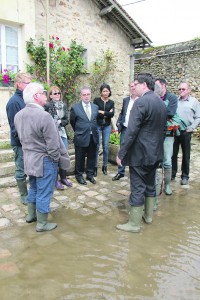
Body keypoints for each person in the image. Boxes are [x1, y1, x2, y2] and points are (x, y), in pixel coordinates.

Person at [14, 82, 70, 232]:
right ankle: (42, 223)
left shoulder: (18, 115)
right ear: (36, 96)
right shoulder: (44, 116)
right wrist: (54, 160)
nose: (46, 95)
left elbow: (20, 138)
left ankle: (31, 216)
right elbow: (53, 144)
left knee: (33, 188)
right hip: (44, 160)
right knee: (44, 191)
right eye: (43, 92)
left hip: (29, 159)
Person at [116, 73, 167, 233]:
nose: (134, 87)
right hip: (155, 153)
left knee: (137, 187)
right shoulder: (160, 103)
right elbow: (163, 130)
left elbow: (131, 131)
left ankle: (134, 224)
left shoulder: (141, 103)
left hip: (140, 154)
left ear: (144, 85)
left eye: (135, 84)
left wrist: (121, 153)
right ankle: (148, 216)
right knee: (150, 184)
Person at [6, 72, 32, 205]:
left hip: (30, 142)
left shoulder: (26, 98)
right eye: (28, 83)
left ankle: (31, 193)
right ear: (18, 84)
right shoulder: (13, 102)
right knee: (21, 170)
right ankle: (23, 195)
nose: (30, 85)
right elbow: (14, 128)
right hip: (20, 143)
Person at [172, 82, 200, 185]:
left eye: (183, 89)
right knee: (173, 154)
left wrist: (192, 127)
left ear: (189, 90)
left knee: (186, 155)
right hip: (174, 131)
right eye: (179, 89)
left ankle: (185, 176)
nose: (181, 91)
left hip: (186, 132)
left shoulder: (194, 102)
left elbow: (198, 117)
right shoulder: (175, 101)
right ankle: (172, 173)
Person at [45, 85, 72, 189]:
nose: (57, 95)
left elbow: (66, 120)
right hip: (52, 134)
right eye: (54, 93)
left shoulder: (63, 105)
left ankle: (64, 178)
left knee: (64, 155)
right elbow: (46, 120)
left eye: (58, 93)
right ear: (50, 95)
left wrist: (60, 122)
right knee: (55, 157)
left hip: (62, 133)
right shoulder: (47, 106)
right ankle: (55, 180)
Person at [70, 86, 99, 185]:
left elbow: (95, 121)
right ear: (81, 96)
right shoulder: (75, 108)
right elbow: (72, 121)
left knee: (92, 157)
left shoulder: (95, 107)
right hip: (81, 136)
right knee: (80, 158)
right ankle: (79, 175)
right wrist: (80, 131)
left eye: (88, 94)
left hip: (93, 137)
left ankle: (90, 175)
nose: (86, 96)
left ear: (91, 95)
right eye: (84, 94)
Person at [155, 78, 178, 195]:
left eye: (158, 86)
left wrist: (157, 111)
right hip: (154, 133)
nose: (156, 88)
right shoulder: (153, 96)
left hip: (168, 133)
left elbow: (170, 113)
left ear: (164, 86)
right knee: (155, 162)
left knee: (167, 161)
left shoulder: (172, 98)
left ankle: (168, 185)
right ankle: (155, 187)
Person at [112, 80, 138, 181]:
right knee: (122, 149)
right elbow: (122, 113)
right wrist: (119, 123)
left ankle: (134, 172)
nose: (132, 88)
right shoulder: (126, 100)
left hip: (135, 130)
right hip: (125, 129)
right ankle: (120, 172)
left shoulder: (141, 100)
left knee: (135, 150)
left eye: (134, 86)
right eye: (131, 86)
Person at [93, 84, 115, 176]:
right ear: (101, 92)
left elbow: (112, 114)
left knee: (105, 146)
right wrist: (106, 113)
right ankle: (94, 167)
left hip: (107, 126)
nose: (105, 93)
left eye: (107, 91)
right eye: (104, 91)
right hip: (97, 125)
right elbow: (95, 112)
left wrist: (102, 112)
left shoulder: (111, 102)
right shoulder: (96, 100)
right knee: (97, 146)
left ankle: (105, 166)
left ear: (109, 92)